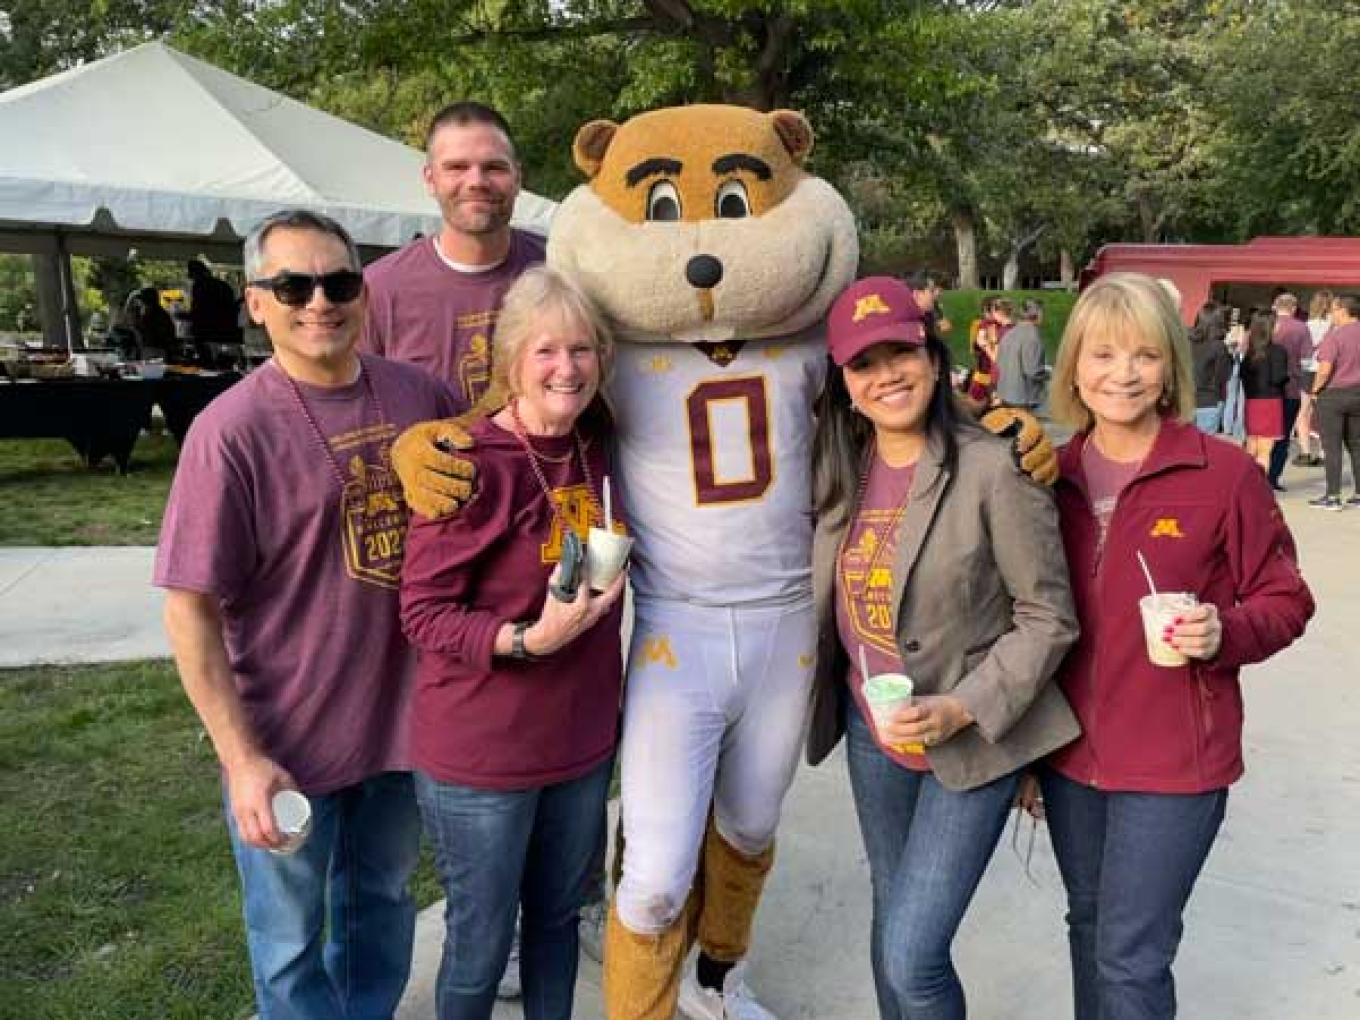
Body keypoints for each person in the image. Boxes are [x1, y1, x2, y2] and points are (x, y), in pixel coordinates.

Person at [155, 209, 458, 1020]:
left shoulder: (419, 395)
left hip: (400, 726)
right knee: (288, 939)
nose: (318, 301)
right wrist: (240, 758)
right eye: (292, 285)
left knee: (382, 905)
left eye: (338, 282)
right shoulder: (230, 433)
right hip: (285, 738)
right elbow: (189, 608)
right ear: (256, 302)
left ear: (363, 293)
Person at [1040, 272, 1314, 1020]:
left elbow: (1288, 599)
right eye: (1101, 355)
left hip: (1174, 766)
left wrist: (1225, 630)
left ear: (1171, 367)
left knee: (1130, 958)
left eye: (1143, 355)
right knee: (1089, 928)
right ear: (1073, 369)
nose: (1122, 374)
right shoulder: (1047, 477)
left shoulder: (1222, 473)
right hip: (1069, 761)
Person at [805, 276, 1080, 1019]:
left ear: (933, 355)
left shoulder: (994, 465)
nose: (887, 374)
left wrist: (964, 708)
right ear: (845, 383)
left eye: (902, 352)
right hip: (874, 735)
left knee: (913, 951)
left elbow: (1048, 614)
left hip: (972, 743)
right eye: (865, 363)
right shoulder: (837, 469)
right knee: (890, 918)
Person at [400, 266, 626, 1020]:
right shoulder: (467, 461)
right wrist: (527, 639)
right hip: (483, 756)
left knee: (558, 922)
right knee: (481, 940)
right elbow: (424, 612)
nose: (568, 368)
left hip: (582, 744)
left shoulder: (594, 444)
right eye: (547, 352)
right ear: (511, 363)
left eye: (584, 350)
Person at [362, 101, 547, 411]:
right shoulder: (378, 290)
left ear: (517, 178)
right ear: (430, 179)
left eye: (494, 167)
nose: (476, 181)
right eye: (456, 167)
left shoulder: (561, 267)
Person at [1307, 293, 1360, 509]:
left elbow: (1325, 368)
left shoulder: (1335, 337)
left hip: (1334, 394)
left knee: (1332, 447)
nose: (1331, 314)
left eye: (1334, 309)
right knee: (1357, 445)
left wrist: (1315, 390)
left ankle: (1333, 495)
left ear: (1343, 310)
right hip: (1358, 393)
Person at [1237, 309, 1288, 478]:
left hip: (1252, 402)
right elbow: (1278, 377)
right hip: (1271, 402)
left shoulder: (1250, 352)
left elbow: (1242, 377)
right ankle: (1258, 486)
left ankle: (1244, 481)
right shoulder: (1278, 351)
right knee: (1265, 451)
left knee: (1251, 445)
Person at [1267, 293, 1311, 487]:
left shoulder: (1263, 323)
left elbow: (1244, 352)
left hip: (1262, 388)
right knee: (1282, 435)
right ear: (1294, 308)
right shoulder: (1301, 328)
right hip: (1290, 387)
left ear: (1275, 306)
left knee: (1258, 434)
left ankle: (1253, 475)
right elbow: (1307, 360)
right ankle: (1273, 478)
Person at [1295, 290, 1333, 466]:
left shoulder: (1306, 326)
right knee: (1326, 413)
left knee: (1303, 412)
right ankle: (1325, 452)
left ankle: (1305, 452)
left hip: (1308, 370)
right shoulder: (1334, 326)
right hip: (1327, 370)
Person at [1187, 300, 1232, 435]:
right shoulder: (1218, 346)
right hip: (1209, 401)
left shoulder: (1186, 340)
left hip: (1185, 399)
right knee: (1203, 449)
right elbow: (1224, 376)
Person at [994, 298, 1048, 410]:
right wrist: (1048, 374)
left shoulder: (1009, 333)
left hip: (1005, 394)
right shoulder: (1032, 336)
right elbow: (1032, 371)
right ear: (1038, 314)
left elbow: (998, 362)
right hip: (1023, 399)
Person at [186, 258, 244, 346]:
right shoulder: (223, 285)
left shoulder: (199, 286)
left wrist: (188, 317)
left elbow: (200, 311)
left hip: (208, 332)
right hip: (228, 331)